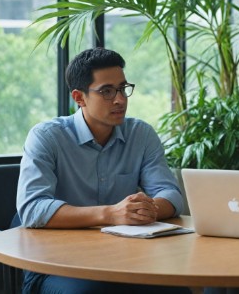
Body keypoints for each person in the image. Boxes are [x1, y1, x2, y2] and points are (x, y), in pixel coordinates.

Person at [16, 48, 189, 294]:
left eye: (122, 88)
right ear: (79, 97)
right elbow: (33, 209)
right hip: (57, 262)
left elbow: (170, 194)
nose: (120, 99)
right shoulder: (46, 137)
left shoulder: (141, 134)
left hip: (125, 260)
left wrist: (145, 210)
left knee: (176, 290)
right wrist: (111, 213)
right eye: (107, 91)